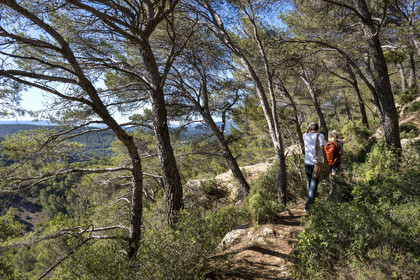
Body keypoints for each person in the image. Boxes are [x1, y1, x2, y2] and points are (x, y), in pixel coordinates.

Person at [303, 123, 327, 211]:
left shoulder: (305, 135)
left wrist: (308, 127)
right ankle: (308, 204)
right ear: (318, 129)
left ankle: (311, 201)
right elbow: (322, 149)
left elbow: (306, 132)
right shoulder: (320, 136)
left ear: (309, 129)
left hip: (307, 162)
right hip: (316, 163)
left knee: (309, 182)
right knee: (314, 183)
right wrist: (325, 160)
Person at [325, 130, 344, 196]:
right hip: (336, 162)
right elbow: (342, 153)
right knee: (336, 175)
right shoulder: (339, 143)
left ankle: (330, 190)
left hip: (328, 162)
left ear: (330, 136)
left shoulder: (327, 143)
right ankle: (334, 191)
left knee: (330, 176)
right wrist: (338, 155)